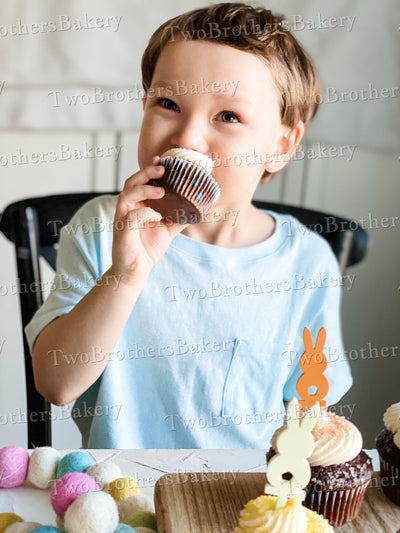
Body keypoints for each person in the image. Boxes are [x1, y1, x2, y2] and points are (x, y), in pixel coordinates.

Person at [26, 3, 352, 448]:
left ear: (280, 145)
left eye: (228, 116)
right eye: (168, 103)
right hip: (122, 496)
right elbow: (56, 385)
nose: (186, 138)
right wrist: (126, 274)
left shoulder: (307, 263)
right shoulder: (103, 228)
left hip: (240, 500)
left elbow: (310, 412)